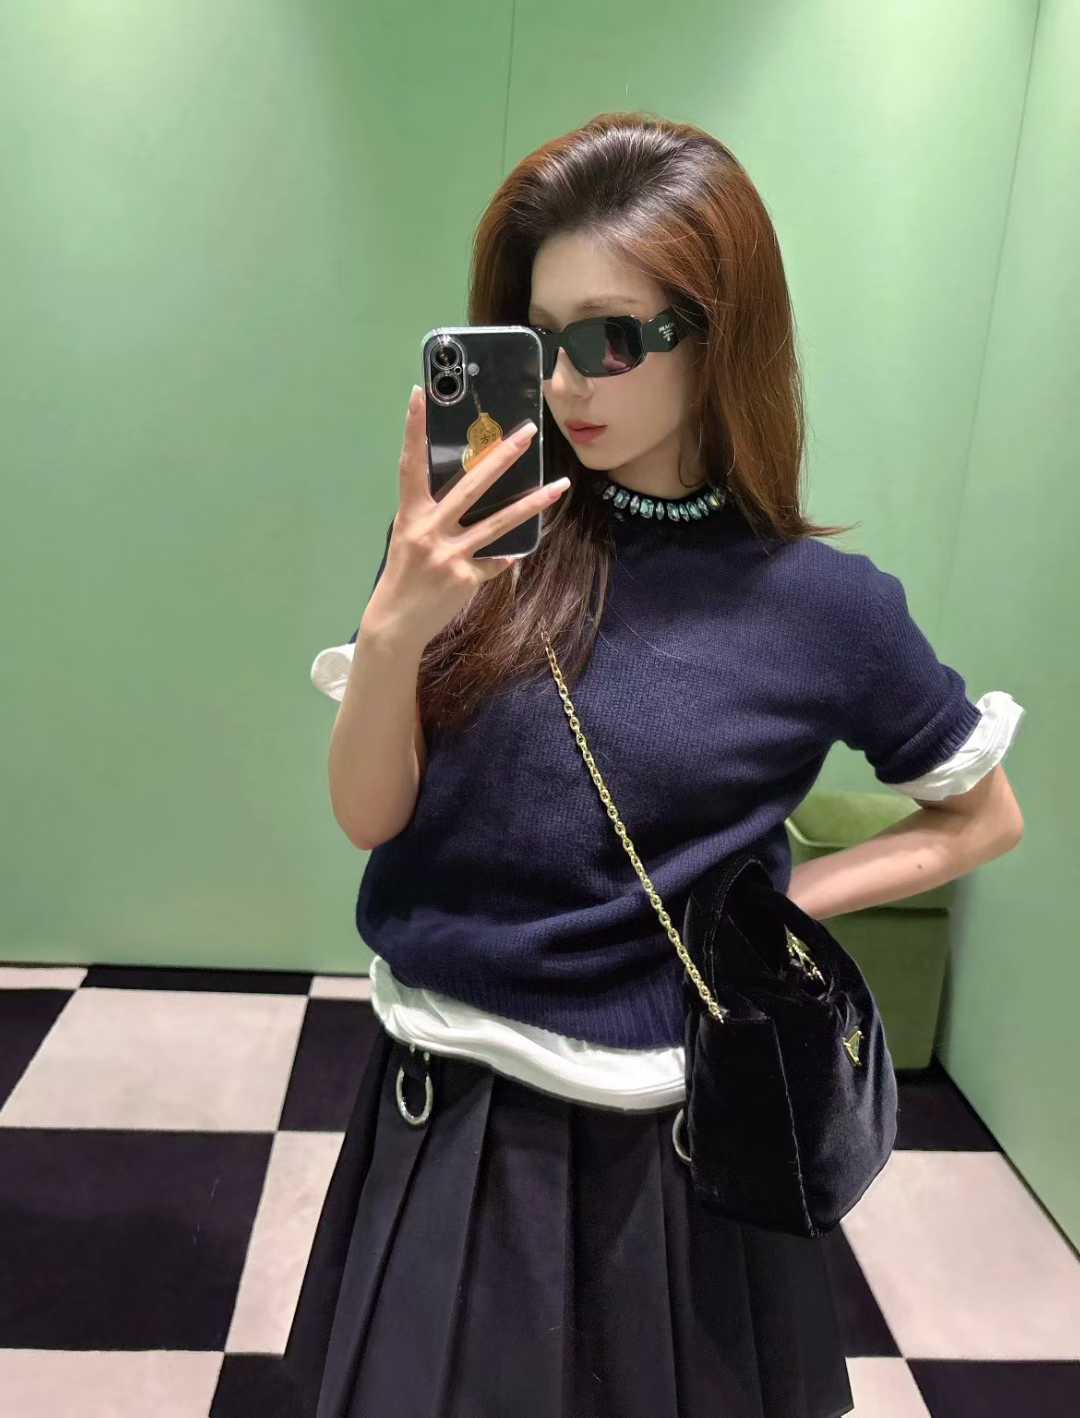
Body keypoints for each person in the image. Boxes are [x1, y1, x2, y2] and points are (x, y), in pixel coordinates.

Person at [284, 112, 1025, 1418]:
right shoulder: (470, 545)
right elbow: (369, 815)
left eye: (612, 338)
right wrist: (398, 624)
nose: (568, 385)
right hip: (435, 1106)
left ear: (721, 334)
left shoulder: (823, 610)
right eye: (541, 337)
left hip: (663, 1154)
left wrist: (773, 913)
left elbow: (980, 817)